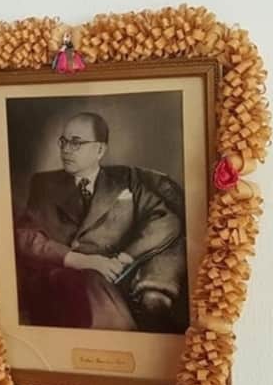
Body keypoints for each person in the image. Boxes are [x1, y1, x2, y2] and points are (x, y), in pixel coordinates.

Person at [14, 112, 188, 333]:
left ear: (100, 150)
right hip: (61, 274)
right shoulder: (44, 184)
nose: (66, 149)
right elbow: (25, 237)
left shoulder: (126, 181)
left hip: (112, 274)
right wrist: (79, 260)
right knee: (87, 287)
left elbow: (166, 220)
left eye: (76, 142)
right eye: (63, 141)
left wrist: (125, 257)